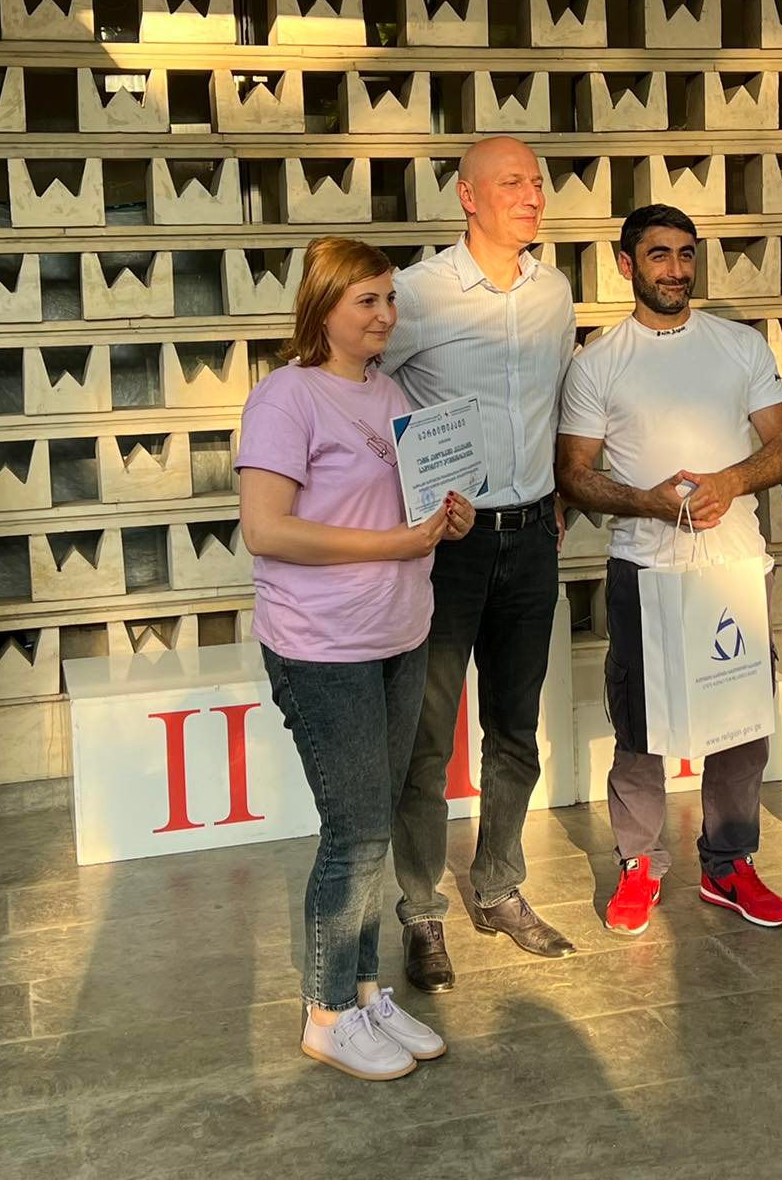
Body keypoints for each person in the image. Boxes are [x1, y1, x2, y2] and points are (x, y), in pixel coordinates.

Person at [238, 236, 475, 1081]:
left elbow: (407, 507)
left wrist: (446, 519)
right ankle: (328, 1011)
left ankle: (367, 991)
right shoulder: (286, 397)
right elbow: (266, 529)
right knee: (358, 831)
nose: (385, 315)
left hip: (398, 635)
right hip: (321, 644)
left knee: (376, 824)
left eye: (389, 299)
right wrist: (392, 543)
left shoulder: (391, 393)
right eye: (366, 301)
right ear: (323, 307)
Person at [557, 206, 782, 935]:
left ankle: (729, 865)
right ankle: (639, 863)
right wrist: (647, 503)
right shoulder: (597, 362)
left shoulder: (739, 346)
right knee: (640, 725)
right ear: (626, 265)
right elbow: (574, 473)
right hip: (645, 567)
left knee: (742, 722)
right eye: (658, 255)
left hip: (733, 566)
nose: (675, 269)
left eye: (686, 254)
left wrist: (731, 480)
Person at [380, 135, 577, 993]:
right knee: (425, 738)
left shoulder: (554, 292)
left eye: (537, 182)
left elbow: (557, 401)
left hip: (531, 539)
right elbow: (362, 394)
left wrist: (558, 492)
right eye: (512, 183)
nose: (532, 196)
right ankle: (422, 910)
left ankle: (498, 887)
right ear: (467, 196)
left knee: (515, 728)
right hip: (446, 547)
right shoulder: (417, 293)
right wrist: (398, 501)